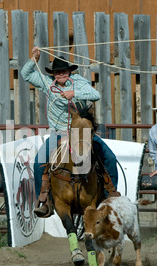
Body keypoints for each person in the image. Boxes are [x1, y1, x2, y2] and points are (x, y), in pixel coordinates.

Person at [21, 47, 118, 217]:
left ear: (69, 72)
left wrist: (75, 93)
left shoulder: (78, 82)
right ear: (53, 74)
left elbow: (95, 94)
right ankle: (42, 199)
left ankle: (111, 195)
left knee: (109, 157)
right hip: (58, 133)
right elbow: (26, 74)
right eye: (57, 72)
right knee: (39, 163)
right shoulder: (47, 84)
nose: (60, 75)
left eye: (63, 72)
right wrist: (34, 58)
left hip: (81, 132)